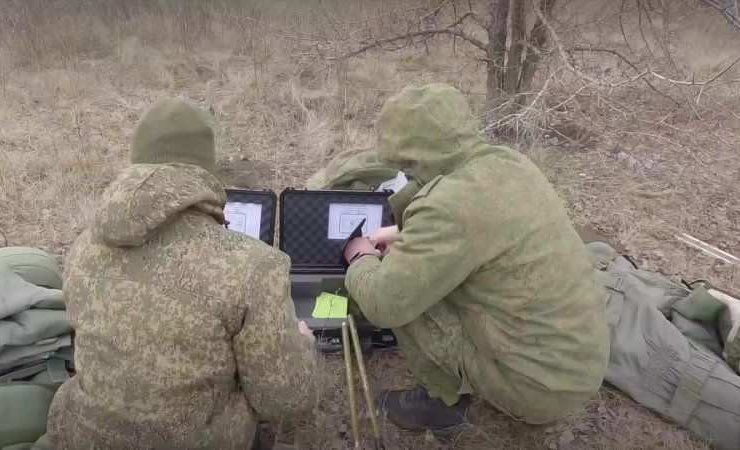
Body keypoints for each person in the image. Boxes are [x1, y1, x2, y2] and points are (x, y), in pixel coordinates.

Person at [46, 98, 318, 450]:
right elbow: (285, 403)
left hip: (83, 438)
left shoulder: (83, 246)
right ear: (206, 169)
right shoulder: (254, 266)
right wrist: (304, 348)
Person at [341, 83, 610, 430]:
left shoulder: (448, 206)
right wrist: (404, 232)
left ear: (414, 156)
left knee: (400, 286)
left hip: (536, 387)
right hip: (577, 366)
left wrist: (360, 258)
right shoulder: (510, 164)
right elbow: (481, 227)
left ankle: (441, 407)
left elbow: (384, 303)